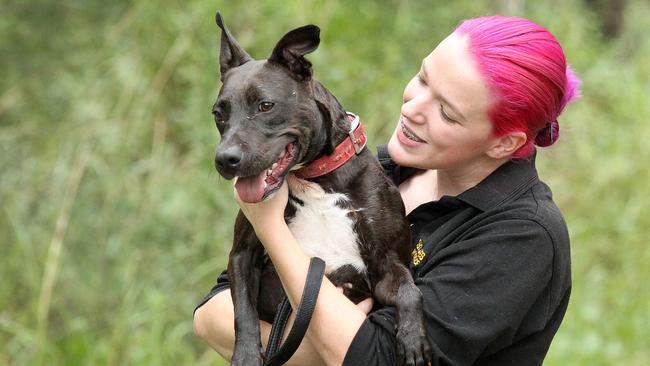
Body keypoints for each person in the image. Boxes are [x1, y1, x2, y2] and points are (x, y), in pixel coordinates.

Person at [193, 15, 580, 366]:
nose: (413, 107)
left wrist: (271, 229)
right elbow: (211, 315)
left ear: (504, 143)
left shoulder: (523, 236)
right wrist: (322, 347)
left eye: (446, 112)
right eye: (424, 78)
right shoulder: (372, 174)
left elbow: (376, 360)